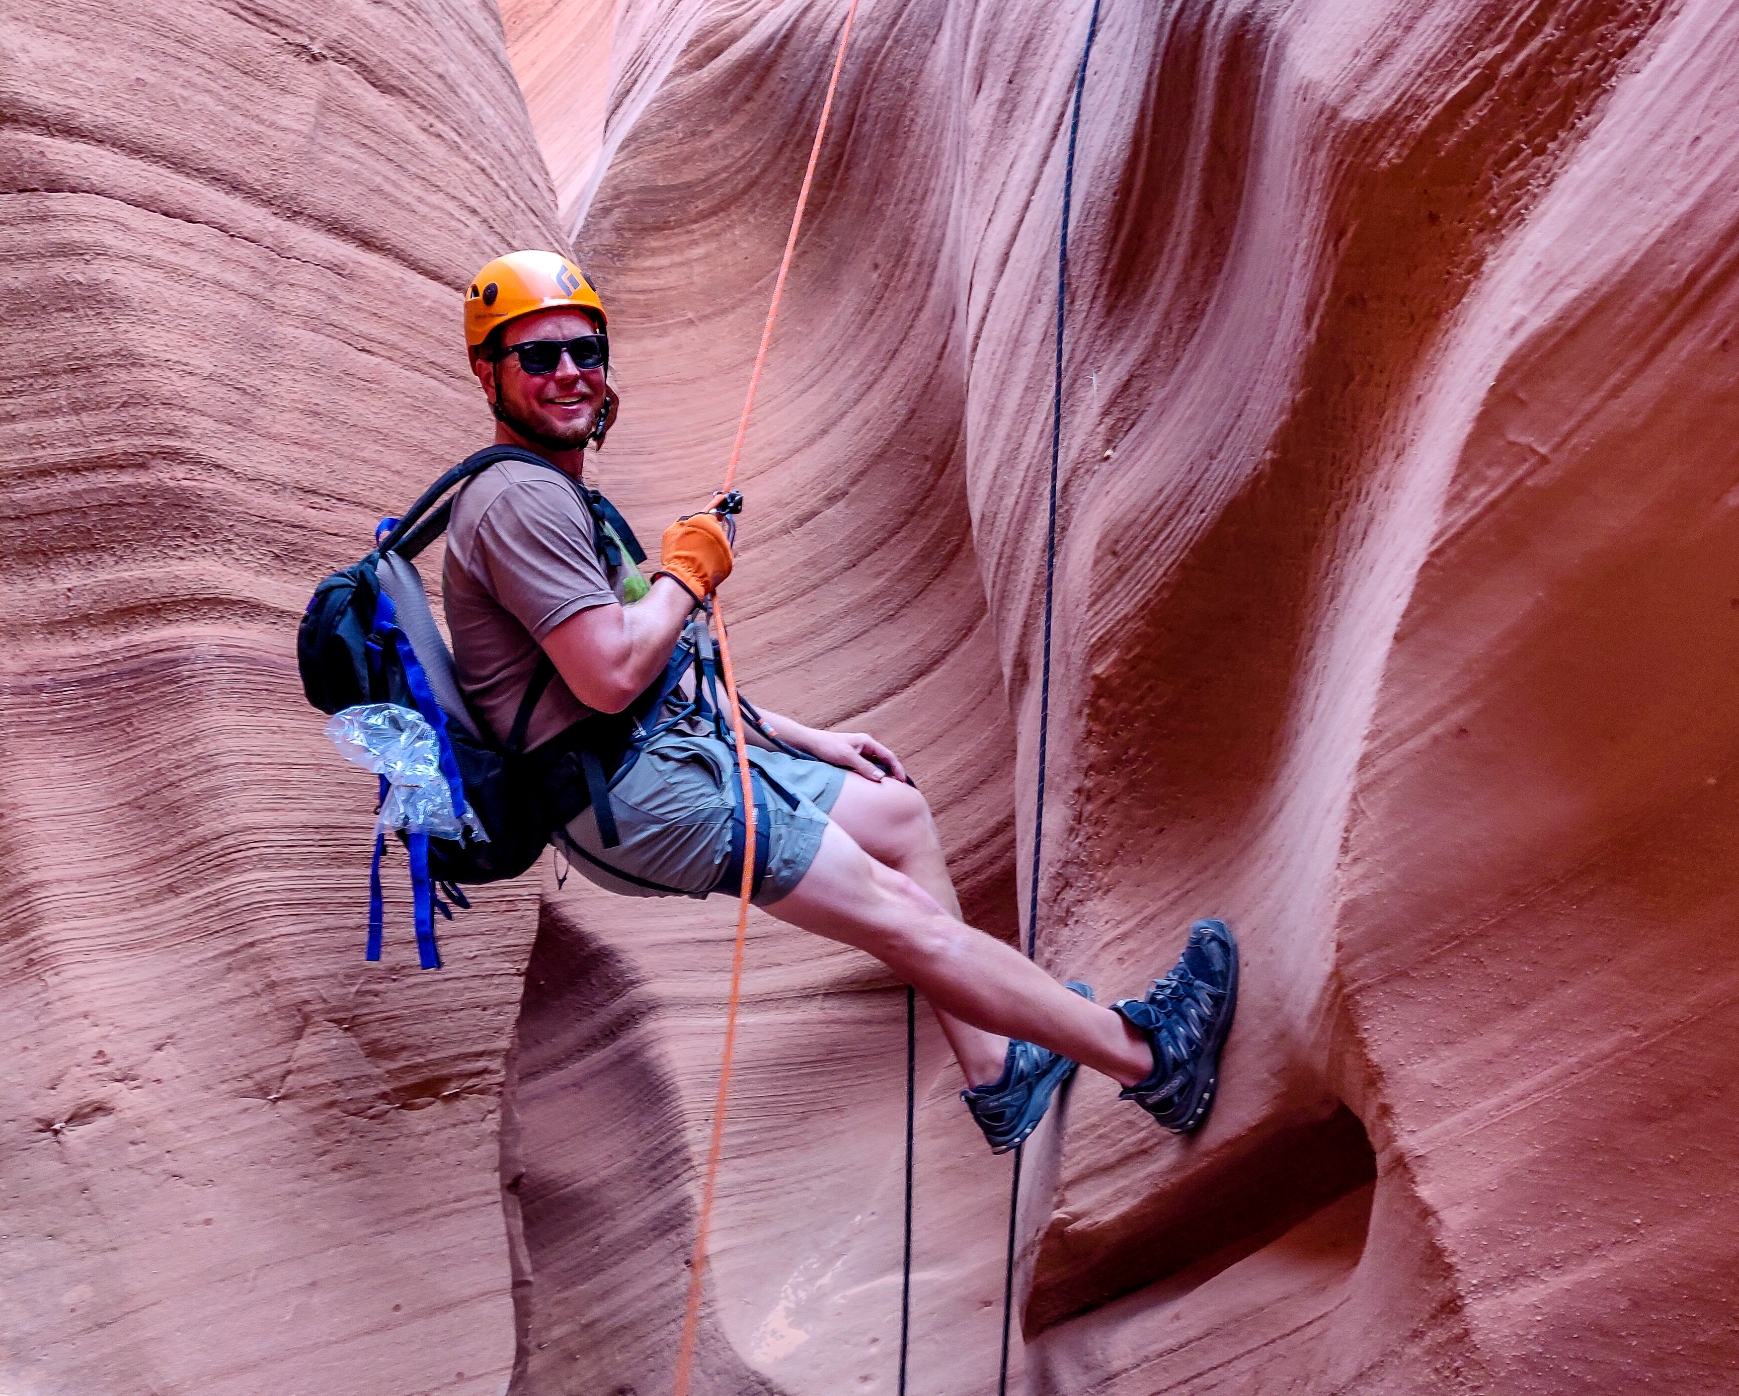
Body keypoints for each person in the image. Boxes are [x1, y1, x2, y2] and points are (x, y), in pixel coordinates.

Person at [444, 250, 1238, 1150]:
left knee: (894, 819)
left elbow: (660, 672)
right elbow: (610, 675)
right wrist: (686, 572)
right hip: (638, 794)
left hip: (658, 758)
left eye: (583, 350)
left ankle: (998, 1074)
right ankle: (1152, 1059)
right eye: (536, 357)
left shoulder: (556, 495)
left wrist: (804, 736)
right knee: (898, 922)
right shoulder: (516, 502)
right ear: (488, 373)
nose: (568, 374)